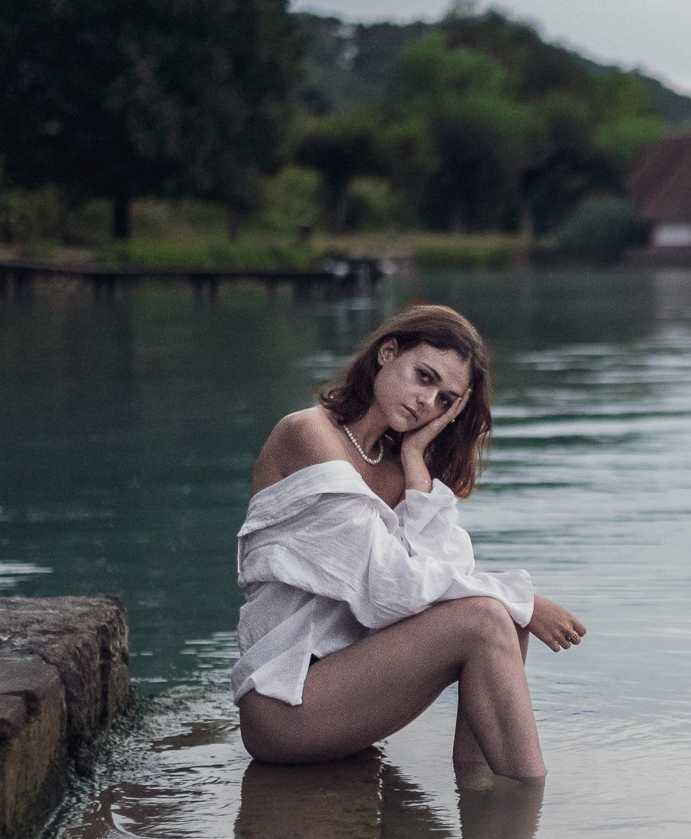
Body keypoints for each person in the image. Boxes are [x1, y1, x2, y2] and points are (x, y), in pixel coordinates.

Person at [232, 304, 583, 778]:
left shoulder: (396, 465)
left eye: (444, 400)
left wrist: (416, 461)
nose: (426, 402)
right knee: (489, 613)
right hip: (283, 704)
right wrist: (524, 598)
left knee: (501, 615)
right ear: (387, 353)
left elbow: (449, 566)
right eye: (423, 376)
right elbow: (388, 592)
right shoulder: (309, 434)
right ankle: (529, 806)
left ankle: (482, 792)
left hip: (345, 689)